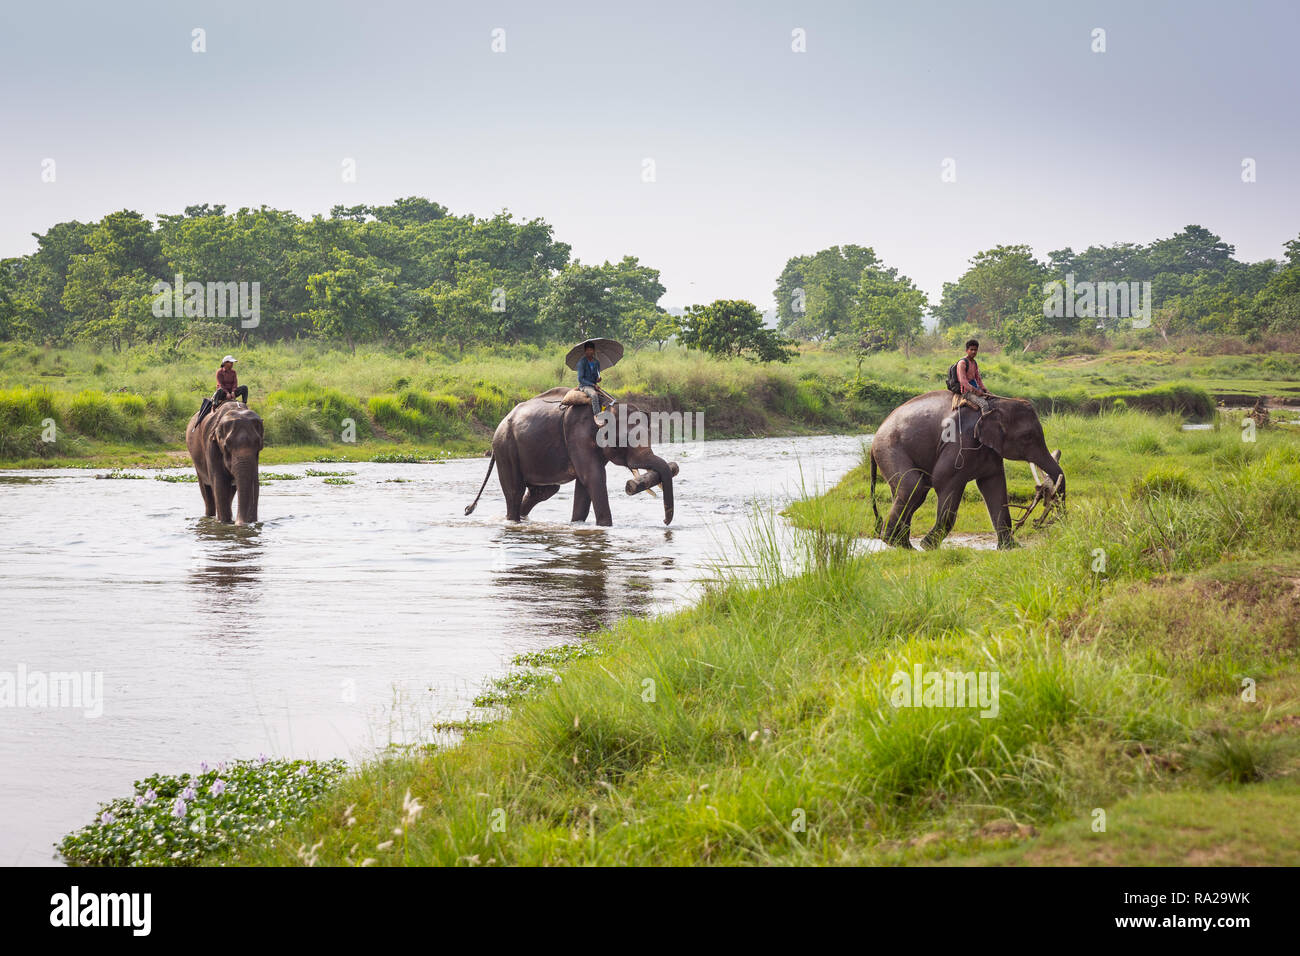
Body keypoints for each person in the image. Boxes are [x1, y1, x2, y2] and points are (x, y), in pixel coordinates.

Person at [955, 339, 988, 411]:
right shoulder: (962, 363)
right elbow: (963, 381)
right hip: (966, 392)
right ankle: (983, 422)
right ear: (967, 350)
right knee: (984, 404)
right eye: (971, 349)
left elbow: (978, 379)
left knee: (992, 398)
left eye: (975, 350)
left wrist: (985, 389)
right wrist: (976, 391)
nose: (973, 352)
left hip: (975, 388)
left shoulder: (974, 363)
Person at [577, 341, 603, 415]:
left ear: (594, 351)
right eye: (588, 350)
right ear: (585, 351)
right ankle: (597, 415)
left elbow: (596, 376)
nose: (589, 352)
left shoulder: (596, 362)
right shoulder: (582, 363)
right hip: (584, 386)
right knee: (594, 395)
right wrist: (593, 385)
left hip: (594, 385)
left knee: (607, 397)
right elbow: (580, 379)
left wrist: (598, 379)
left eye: (591, 350)